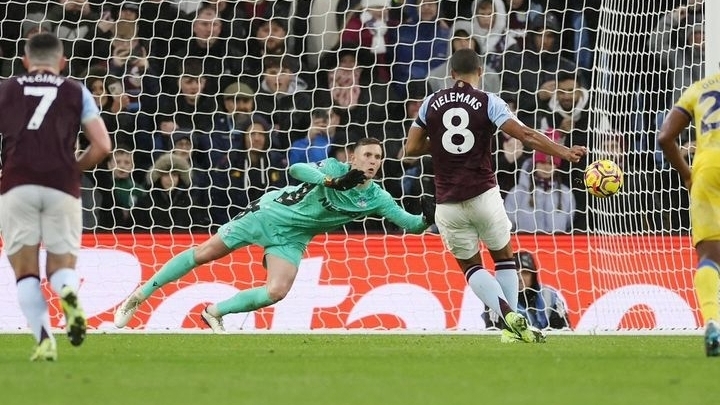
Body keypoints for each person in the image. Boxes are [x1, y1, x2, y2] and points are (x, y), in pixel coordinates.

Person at [114, 137, 434, 332]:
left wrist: (430, 213)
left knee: (277, 291)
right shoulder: (335, 168)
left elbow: (410, 224)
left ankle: (214, 312)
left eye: (377, 157)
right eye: (367, 155)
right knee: (205, 253)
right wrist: (331, 182)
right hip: (268, 214)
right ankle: (139, 296)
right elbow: (296, 171)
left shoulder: (377, 197)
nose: (373, 161)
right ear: (353, 157)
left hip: (293, 237)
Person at [404, 48, 586, 343]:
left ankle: (505, 318)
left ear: (451, 75)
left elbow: (411, 150)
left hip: (447, 201)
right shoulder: (488, 101)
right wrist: (564, 151)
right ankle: (511, 324)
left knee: (471, 266)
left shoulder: (430, 103)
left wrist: (439, 145)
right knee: (504, 259)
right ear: (480, 72)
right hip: (483, 196)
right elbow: (526, 135)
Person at [0, 33, 112, 361]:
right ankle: (67, 290)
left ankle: (44, 339)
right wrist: (74, 169)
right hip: (62, 186)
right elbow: (103, 146)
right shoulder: (76, 90)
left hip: (17, 184)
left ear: (24, 61)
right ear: (62, 62)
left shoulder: (6, 89)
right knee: (61, 266)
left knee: (26, 272)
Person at [658, 72, 720, 357]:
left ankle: (712, 321)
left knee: (710, 257)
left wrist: (687, 174)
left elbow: (665, 137)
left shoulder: (699, 88)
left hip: (707, 168)